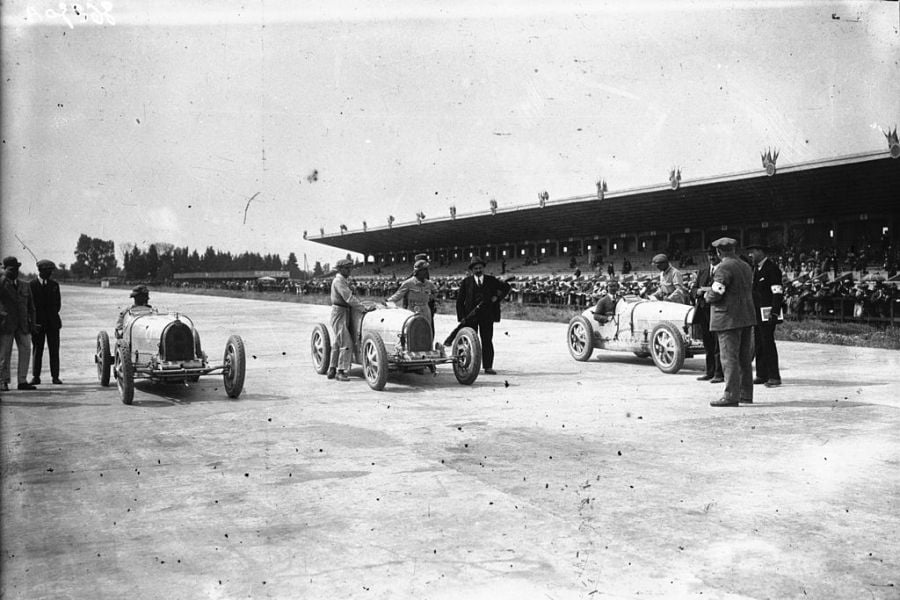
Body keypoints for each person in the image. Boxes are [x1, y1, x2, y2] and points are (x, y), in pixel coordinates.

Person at [704, 238, 756, 407]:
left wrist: (706, 296)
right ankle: (745, 394)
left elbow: (717, 292)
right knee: (744, 358)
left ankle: (731, 396)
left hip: (727, 318)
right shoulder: (745, 266)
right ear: (733, 249)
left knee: (729, 358)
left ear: (719, 252)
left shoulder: (723, 267)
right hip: (746, 316)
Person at [455, 256, 510, 375]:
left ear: (483, 268)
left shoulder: (491, 280)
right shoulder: (466, 282)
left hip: (487, 316)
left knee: (487, 341)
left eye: (480, 268)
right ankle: (470, 365)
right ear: (472, 270)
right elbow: (459, 301)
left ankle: (488, 367)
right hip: (471, 316)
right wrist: (462, 317)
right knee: (470, 342)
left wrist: (497, 298)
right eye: (476, 268)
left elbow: (506, 287)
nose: (478, 270)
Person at [329, 258, 373, 382]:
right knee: (346, 342)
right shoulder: (339, 281)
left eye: (350, 268)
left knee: (339, 341)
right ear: (340, 269)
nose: (350, 271)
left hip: (344, 311)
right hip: (340, 312)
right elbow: (349, 298)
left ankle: (332, 368)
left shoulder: (343, 280)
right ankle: (341, 371)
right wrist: (363, 308)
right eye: (347, 268)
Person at [747, 244, 784, 387]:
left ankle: (774, 376)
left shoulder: (772, 269)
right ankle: (762, 374)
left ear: (761, 252)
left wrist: (774, 312)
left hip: (768, 314)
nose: (751, 255)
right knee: (759, 343)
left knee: (768, 343)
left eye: (753, 252)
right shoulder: (756, 269)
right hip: (756, 313)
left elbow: (777, 292)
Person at [0, 256, 37, 391]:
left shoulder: (25, 285)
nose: (14, 272)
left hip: (23, 325)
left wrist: (33, 323)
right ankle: (3, 381)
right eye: (10, 269)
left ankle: (22, 381)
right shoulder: (2, 283)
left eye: (16, 269)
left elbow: (31, 307)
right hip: (6, 324)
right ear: (4, 270)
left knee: (26, 351)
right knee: (5, 354)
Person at [691, 248, 724, 382]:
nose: (711, 258)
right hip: (704, 311)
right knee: (708, 343)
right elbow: (693, 289)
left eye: (713, 255)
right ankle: (709, 371)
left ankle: (719, 373)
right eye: (709, 255)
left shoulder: (723, 271)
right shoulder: (703, 272)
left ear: (719, 255)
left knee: (717, 343)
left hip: (716, 311)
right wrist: (697, 291)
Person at [30, 259, 63, 385]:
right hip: (38, 324)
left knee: (54, 350)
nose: (50, 273)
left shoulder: (54, 285)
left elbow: (57, 305)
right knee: (37, 350)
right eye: (48, 271)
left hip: (53, 323)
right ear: (41, 271)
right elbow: (30, 305)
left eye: (51, 271)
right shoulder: (31, 285)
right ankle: (36, 376)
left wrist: (50, 316)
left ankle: (55, 376)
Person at [387, 259, 438, 333]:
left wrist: (431, 297)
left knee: (426, 330)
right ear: (418, 271)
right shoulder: (408, 283)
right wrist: (388, 301)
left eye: (426, 270)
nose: (426, 272)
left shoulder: (429, 283)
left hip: (426, 309)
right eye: (424, 270)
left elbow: (436, 292)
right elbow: (398, 295)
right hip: (413, 309)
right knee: (412, 331)